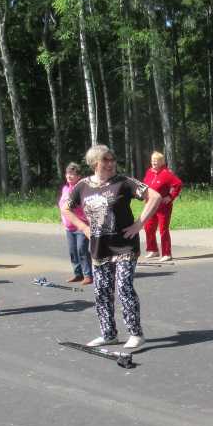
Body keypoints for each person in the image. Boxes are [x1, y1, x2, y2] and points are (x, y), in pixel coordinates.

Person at [62, 144, 161, 351]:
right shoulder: (82, 186)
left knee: (124, 287)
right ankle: (108, 334)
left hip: (125, 245)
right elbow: (66, 208)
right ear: (94, 163)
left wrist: (139, 224)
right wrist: (83, 227)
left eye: (112, 159)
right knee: (102, 291)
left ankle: (135, 333)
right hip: (100, 247)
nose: (110, 163)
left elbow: (155, 197)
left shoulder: (124, 182)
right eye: (105, 160)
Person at [143, 151, 182, 262]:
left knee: (163, 229)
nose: (153, 162)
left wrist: (170, 196)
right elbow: (145, 184)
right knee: (148, 227)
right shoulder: (149, 172)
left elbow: (178, 184)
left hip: (163, 206)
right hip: (150, 205)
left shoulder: (166, 173)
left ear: (162, 162)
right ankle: (153, 250)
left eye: (156, 160)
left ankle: (167, 253)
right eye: (152, 160)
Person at [59, 162, 93, 285]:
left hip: (81, 225)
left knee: (81, 250)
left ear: (78, 176)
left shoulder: (81, 189)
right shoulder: (65, 188)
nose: (69, 176)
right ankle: (78, 274)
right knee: (73, 251)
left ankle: (88, 275)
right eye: (68, 173)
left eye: (72, 174)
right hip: (69, 226)